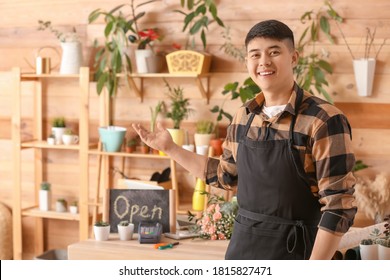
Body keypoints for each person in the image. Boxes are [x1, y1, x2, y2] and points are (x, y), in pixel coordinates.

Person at [132, 19, 357, 260]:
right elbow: (225, 176)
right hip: (242, 252)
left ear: (294, 58)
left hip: (299, 253)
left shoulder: (323, 119)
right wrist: (170, 148)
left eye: (274, 52)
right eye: (255, 54)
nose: (264, 62)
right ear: (247, 62)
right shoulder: (244, 117)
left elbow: (338, 206)